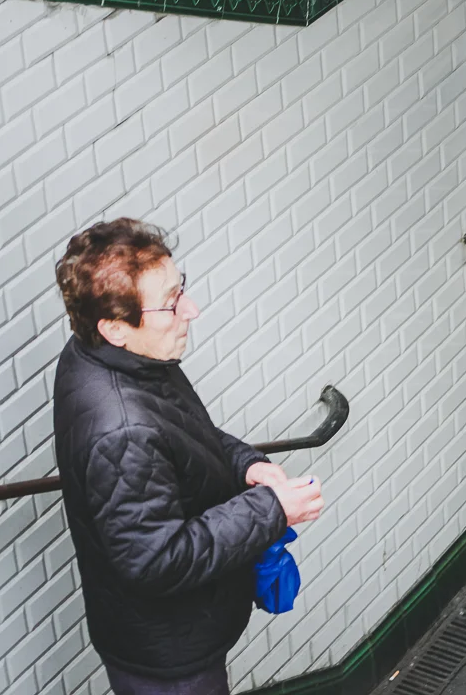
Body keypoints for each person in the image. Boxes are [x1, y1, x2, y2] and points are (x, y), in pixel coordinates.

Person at [52, 218, 324, 695]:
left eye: (183, 290)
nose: (191, 310)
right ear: (115, 327)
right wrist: (273, 510)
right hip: (170, 663)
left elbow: (180, 433)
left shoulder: (109, 357)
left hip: (168, 636)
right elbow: (158, 559)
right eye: (172, 303)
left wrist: (245, 464)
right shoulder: (121, 429)